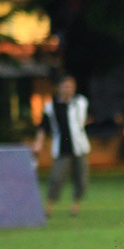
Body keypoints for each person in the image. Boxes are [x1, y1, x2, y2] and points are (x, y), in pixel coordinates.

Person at [33, 75, 90, 217]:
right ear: (59, 88)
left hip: (79, 147)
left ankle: (75, 207)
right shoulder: (51, 107)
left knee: (81, 179)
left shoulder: (80, 102)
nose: (68, 89)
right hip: (62, 148)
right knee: (56, 178)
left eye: (71, 86)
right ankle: (49, 208)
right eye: (65, 86)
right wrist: (38, 143)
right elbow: (43, 127)